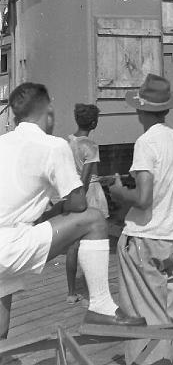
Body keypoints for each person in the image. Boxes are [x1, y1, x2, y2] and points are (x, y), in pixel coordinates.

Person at [0, 83, 145, 338]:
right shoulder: (53, 146)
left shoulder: (3, 142)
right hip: (9, 244)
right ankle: (101, 306)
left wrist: (44, 214)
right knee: (94, 220)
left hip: (4, 244)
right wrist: (55, 211)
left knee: (2, 294)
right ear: (49, 113)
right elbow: (78, 204)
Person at [110, 74, 173, 365]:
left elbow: (144, 198)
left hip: (145, 239)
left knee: (143, 319)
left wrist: (120, 193)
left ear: (140, 110)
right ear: (166, 109)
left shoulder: (146, 143)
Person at [66, 104, 109, 304]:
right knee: (95, 243)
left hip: (71, 193)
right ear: (93, 123)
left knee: (73, 245)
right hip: (88, 193)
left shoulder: (69, 141)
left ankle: (71, 292)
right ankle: (94, 291)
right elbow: (85, 178)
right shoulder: (90, 145)